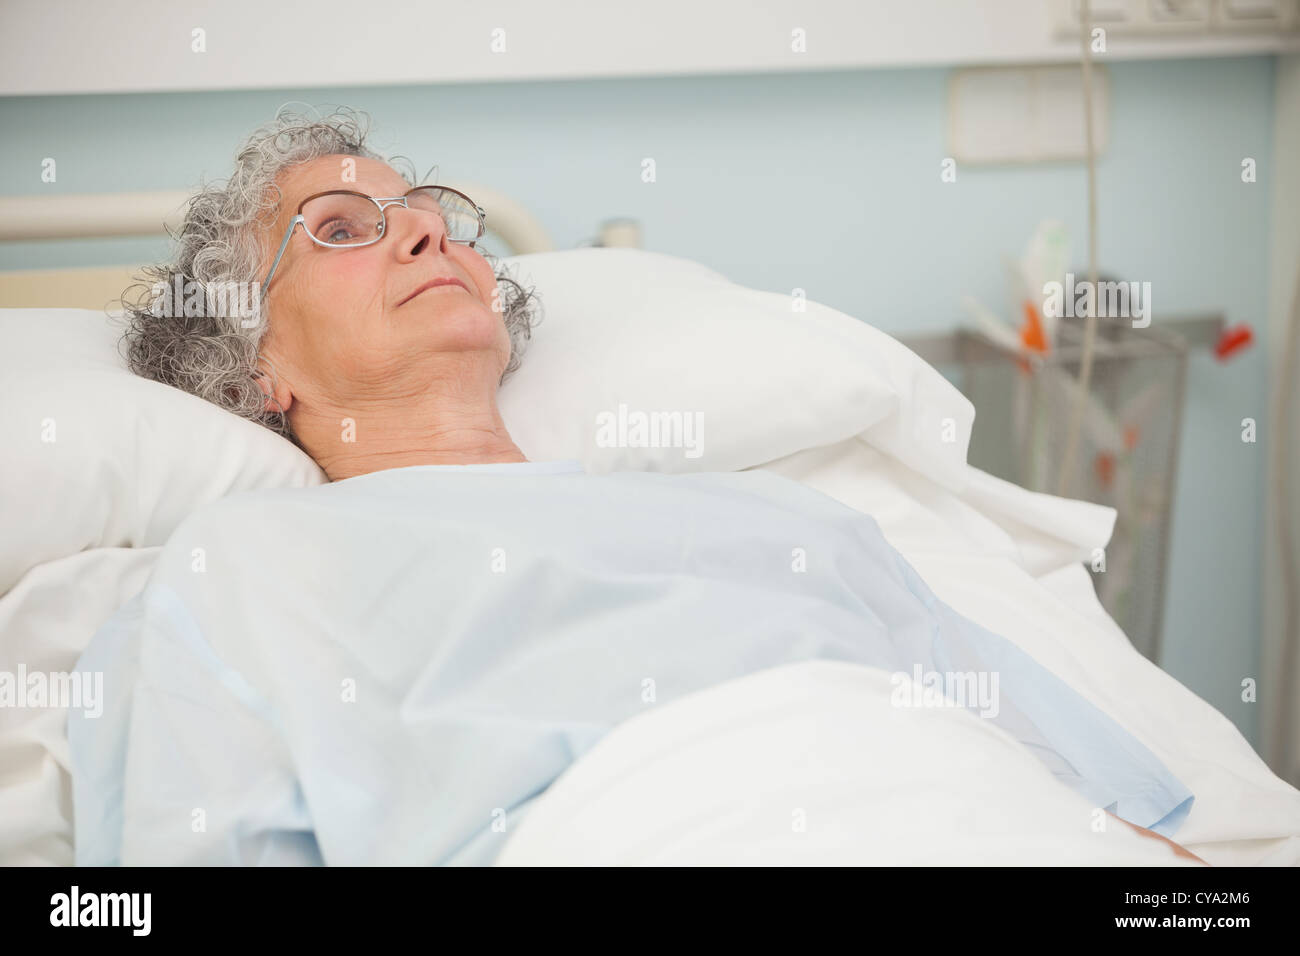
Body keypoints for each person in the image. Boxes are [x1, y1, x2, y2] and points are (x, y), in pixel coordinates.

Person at [102, 106, 1203, 866]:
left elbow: (1091, 814)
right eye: (341, 229)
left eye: (429, 213)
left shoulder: (783, 515)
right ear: (251, 366)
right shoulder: (239, 565)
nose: (427, 228)